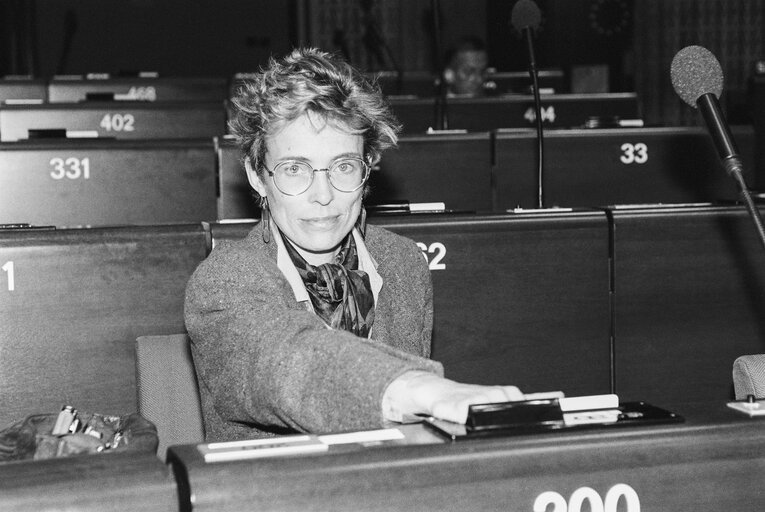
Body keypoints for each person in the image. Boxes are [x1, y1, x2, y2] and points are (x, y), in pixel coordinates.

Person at [184, 47, 523, 442]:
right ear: (258, 177)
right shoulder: (224, 280)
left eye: (344, 166)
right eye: (295, 169)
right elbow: (287, 362)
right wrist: (417, 389)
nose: (324, 195)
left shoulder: (403, 264)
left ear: (367, 167)